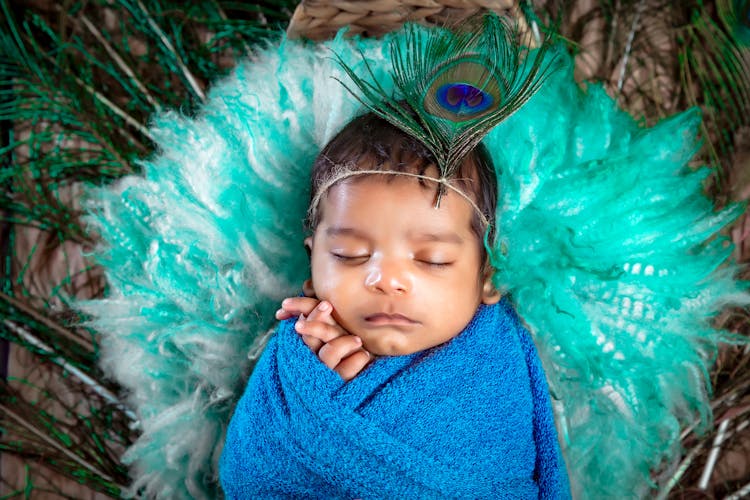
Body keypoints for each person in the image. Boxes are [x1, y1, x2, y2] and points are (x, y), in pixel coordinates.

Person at [219, 111, 571, 498]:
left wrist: (361, 400)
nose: (386, 280)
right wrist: (320, 393)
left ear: (486, 276)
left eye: (431, 259)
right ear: (313, 263)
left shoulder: (493, 366)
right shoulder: (297, 360)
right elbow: (248, 477)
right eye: (349, 254)